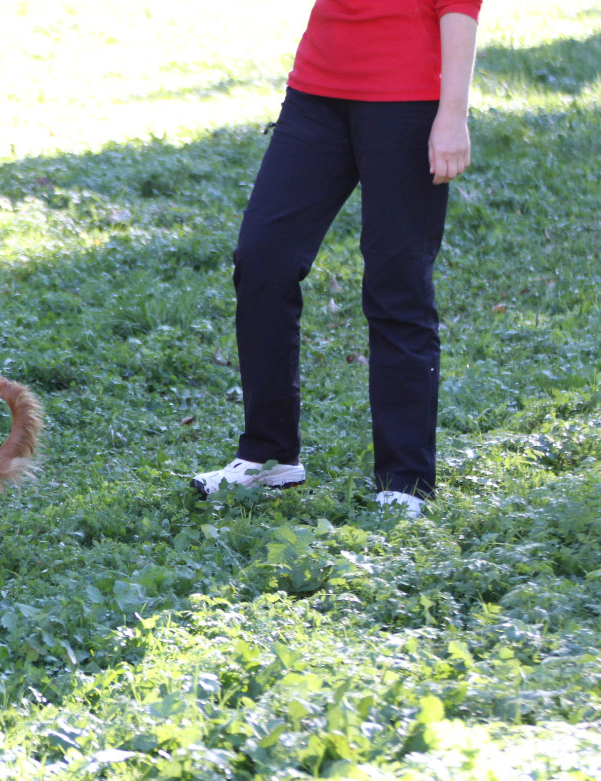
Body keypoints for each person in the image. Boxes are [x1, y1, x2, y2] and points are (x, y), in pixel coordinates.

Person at [191, 0, 481, 518]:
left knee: (397, 281)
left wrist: (453, 113)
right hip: (316, 91)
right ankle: (269, 456)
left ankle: (406, 480)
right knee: (263, 259)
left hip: (408, 97)